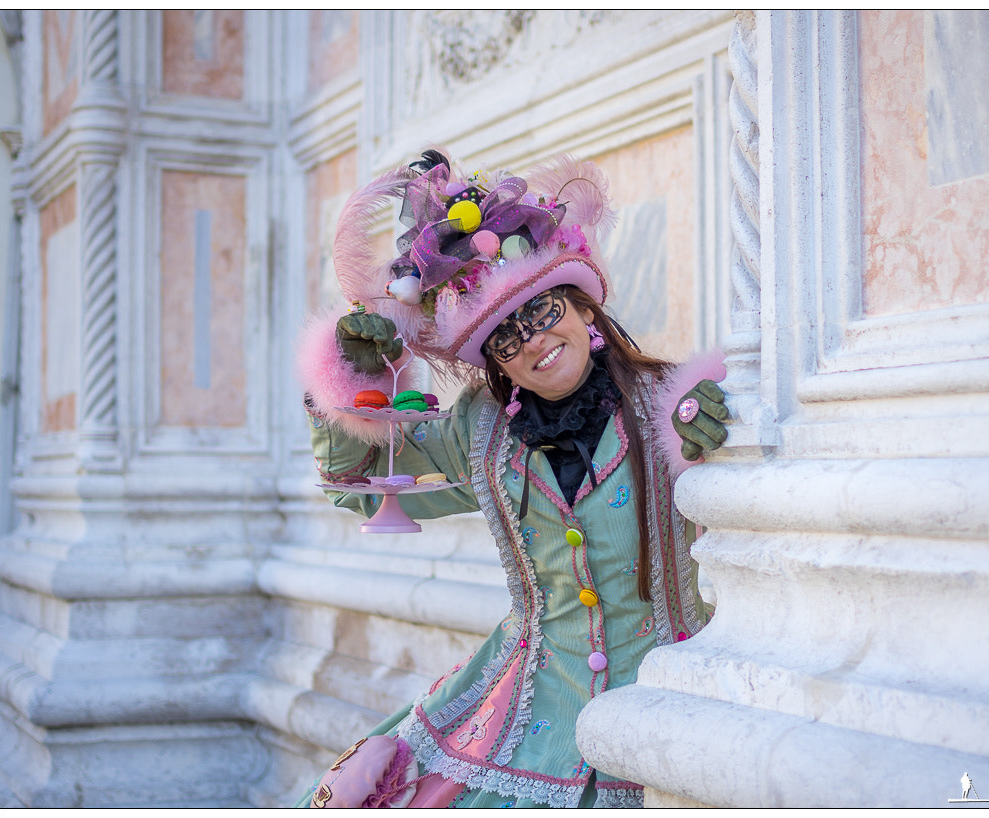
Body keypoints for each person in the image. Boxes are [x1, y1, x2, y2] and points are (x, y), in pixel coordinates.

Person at [294, 149, 728, 808]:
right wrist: (360, 380)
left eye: (545, 314)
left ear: (585, 314)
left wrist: (723, 439)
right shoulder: (485, 434)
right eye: (506, 338)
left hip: (669, 707)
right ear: (498, 363)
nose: (532, 341)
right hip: (525, 716)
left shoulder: (675, 409)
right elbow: (353, 474)